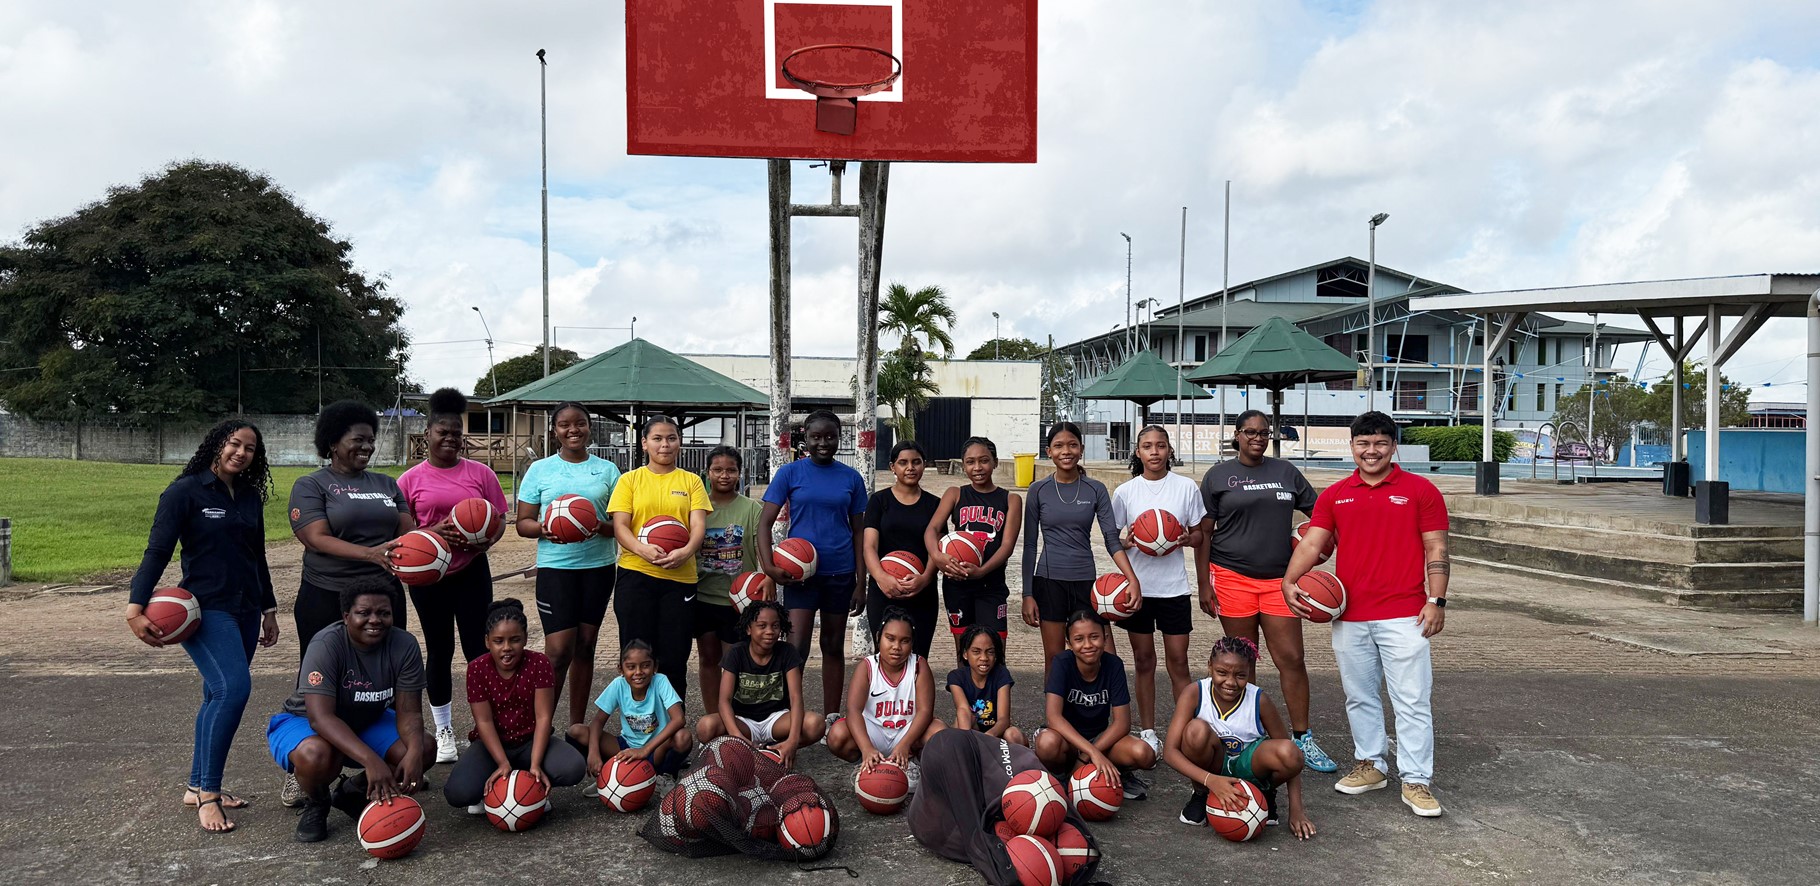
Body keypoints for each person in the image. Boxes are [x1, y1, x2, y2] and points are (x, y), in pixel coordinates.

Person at [1283, 411, 1450, 818]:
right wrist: (1289, 581)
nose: (1371, 451)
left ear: (1394, 447)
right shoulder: (1335, 494)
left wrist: (1437, 600)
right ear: (1352, 447)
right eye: (1363, 443)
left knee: (1411, 701)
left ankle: (1416, 780)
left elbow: (1437, 549)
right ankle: (1372, 765)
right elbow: (1311, 545)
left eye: (1379, 443)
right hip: (1349, 614)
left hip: (1405, 613)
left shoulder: (1420, 490)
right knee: (1359, 697)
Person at [127, 419, 281, 833]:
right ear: (217, 443)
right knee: (234, 689)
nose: (241, 453)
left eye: (250, 448)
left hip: (247, 608)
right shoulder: (185, 492)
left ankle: (196, 785)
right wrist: (134, 607)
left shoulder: (249, 495)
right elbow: (157, 550)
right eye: (234, 443)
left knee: (217, 693)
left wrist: (269, 608)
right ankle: (209, 796)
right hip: (206, 610)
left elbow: (258, 556)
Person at [286, 400, 414, 807]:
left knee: (383, 678)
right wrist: (372, 554)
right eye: (357, 439)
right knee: (322, 687)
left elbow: (410, 536)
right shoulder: (312, 485)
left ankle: (373, 773)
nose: (367, 446)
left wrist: (442, 536)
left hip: (382, 597)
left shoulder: (387, 484)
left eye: (370, 440)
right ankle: (308, 773)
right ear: (333, 443)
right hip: (326, 594)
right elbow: (316, 538)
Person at [1197, 410, 1337, 774]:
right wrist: (1202, 585)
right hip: (1231, 576)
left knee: (1290, 658)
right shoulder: (1217, 476)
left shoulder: (1286, 473)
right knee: (1244, 664)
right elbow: (1204, 535)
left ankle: (1303, 736)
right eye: (1250, 432)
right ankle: (1250, 735)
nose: (1258, 438)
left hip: (1280, 580)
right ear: (1237, 436)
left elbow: (1321, 516)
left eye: (1264, 433)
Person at [266, 577, 435, 843]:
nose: (375, 620)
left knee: (423, 747)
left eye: (383, 613)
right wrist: (372, 761)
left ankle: (351, 791)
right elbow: (320, 718)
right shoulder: (326, 644)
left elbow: (410, 712)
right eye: (363, 613)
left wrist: (414, 754)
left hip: (367, 718)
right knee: (317, 755)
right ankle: (317, 801)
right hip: (305, 721)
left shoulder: (404, 645)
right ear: (346, 616)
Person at [398, 388, 511, 764]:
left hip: (471, 570)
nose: (450, 438)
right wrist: (433, 535)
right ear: (427, 434)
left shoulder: (481, 473)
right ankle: (444, 728)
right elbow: (403, 531)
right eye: (442, 432)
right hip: (429, 576)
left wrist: (484, 541)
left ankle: (487, 725)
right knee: (439, 648)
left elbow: (499, 520)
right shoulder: (410, 480)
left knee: (479, 650)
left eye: (456, 433)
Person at [514, 401, 622, 743]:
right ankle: (538, 728)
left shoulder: (606, 470)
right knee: (559, 651)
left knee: (586, 646)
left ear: (589, 427)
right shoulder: (540, 470)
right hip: (556, 570)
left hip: (599, 568)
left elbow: (619, 523)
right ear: (555, 430)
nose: (573, 430)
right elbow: (523, 523)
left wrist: (596, 526)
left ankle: (576, 728)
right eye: (565, 425)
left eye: (580, 424)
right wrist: (544, 528)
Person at [1110, 424, 1210, 788]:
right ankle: (1149, 730)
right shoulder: (1125, 492)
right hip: (1139, 588)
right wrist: (1130, 539)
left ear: (1170, 450)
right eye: (1147, 446)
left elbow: (1200, 534)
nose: (1154, 451)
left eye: (1160, 445)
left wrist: (1185, 537)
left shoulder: (1185, 488)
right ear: (1137, 452)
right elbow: (1115, 537)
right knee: (1143, 661)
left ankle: (1185, 730)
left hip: (1172, 589)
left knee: (1179, 661)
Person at [759, 409, 868, 717]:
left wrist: (862, 582)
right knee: (796, 648)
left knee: (833, 646)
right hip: (800, 576)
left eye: (830, 436)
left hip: (840, 572)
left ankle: (832, 717)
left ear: (839, 437)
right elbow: (764, 522)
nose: (823, 443)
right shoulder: (790, 473)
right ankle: (788, 716)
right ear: (804, 438)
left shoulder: (851, 478)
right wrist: (769, 566)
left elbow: (860, 531)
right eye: (816, 437)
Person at [1163, 636, 1314, 839]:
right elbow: (1170, 752)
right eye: (1222, 673)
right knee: (1194, 731)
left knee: (1289, 752)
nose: (1231, 682)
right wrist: (1210, 780)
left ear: (1250, 672)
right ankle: (1201, 794)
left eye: (1240, 675)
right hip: (1213, 768)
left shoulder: (1259, 700)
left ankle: (1263, 792)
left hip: (1249, 768)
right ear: (1209, 666)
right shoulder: (1194, 693)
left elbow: (1292, 756)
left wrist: (1297, 810)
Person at [444, 599, 586, 812]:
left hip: (530, 742)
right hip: (492, 745)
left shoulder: (539, 663)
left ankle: (531, 787)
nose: (507, 648)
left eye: (515, 640)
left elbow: (544, 717)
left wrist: (536, 764)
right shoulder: (477, 669)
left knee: (573, 767)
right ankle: (496, 788)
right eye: (498, 641)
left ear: (526, 639)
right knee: (458, 793)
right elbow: (484, 721)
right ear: (487, 641)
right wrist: (502, 762)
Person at [1021, 421, 1138, 680]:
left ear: (1081, 449)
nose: (1066, 451)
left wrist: (1132, 579)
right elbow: (1030, 545)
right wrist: (1028, 594)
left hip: (1087, 583)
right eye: (1059, 446)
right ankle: (1054, 717)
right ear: (1049, 451)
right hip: (1049, 582)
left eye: (1072, 445)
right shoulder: (1038, 490)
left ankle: (1106, 715)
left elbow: (1111, 538)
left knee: (1105, 655)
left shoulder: (1095, 489)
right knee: (1055, 657)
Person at [609, 416, 711, 698]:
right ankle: (637, 725)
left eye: (671, 438)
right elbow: (620, 526)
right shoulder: (629, 480)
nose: (664, 444)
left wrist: (686, 551)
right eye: (657, 438)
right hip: (635, 575)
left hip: (680, 580)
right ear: (644, 443)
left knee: (674, 657)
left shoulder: (691, 481)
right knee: (636, 656)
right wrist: (642, 549)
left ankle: (672, 726)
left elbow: (698, 525)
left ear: (679, 442)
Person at [1032, 611, 1156, 793]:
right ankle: (1060, 779)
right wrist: (1089, 754)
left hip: (1100, 739)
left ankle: (1117, 773)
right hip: (1068, 740)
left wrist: (1090, 754)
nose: (1088, 645)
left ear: (1105, 639)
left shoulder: (1113, 665)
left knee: (1144, 754)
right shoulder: (1061, 663)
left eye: (1094, 637)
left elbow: (1122, 723)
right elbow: (1054, 718)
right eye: (1079, 639)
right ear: (1069, 643)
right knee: (1046, 743)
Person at [694, 601, 827, 769]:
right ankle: (740, 748)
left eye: (775, 626)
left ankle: (775, 749)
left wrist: (792, 741)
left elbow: (796, 698)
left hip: (776, 720)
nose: (770, 632)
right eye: (762, 626)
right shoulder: (736, 653)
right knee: (705, 727)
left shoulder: (787, 652)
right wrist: (737, 736)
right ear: (749, 629)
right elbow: (724, 701)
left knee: (816, 724)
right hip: (744, 721)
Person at [924, 436, 1022, 663]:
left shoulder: (1011, 499)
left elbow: (1007, 546)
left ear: (995, 462)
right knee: (965, 654)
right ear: (963, 464)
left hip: (992, 584)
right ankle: (965, 698)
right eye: (970, 462)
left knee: (994, 654)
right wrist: (938, 557)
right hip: (958, 584)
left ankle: (995, 698)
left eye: (984, 460)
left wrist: (982, 570)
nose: (977, 467)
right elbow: (932, 529)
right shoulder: (955, 494)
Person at [827, 607, 944, 786]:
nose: (896, 647)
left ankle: (913, 762)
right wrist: (866, 748)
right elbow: (853, 710)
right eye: (890, 638)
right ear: (878, 637)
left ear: (912, 643)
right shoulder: (867, 667)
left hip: (907, 733)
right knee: (837, 734)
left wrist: (905, 745)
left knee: (940, 733)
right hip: (875, 731)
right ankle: (869, 761)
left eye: (905, 641)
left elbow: (925, 711)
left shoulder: (919, 666)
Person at [696, 445, 762, 718]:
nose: (724, 475)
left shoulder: (751, 509)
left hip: (739, 601)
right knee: (708, 659)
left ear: (739, 473)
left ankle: (737, 718)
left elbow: (762, 549)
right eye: (718, 470)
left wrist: (767, 576)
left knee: (734, 662)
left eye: (731, 470)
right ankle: (714, 717)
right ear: (707, 473)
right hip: (703, 596)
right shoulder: (698, 508)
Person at [862, 440, 942, 658]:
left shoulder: (935, 504)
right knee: (887, 657)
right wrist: (881, 578)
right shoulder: (879, 501)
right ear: (892, 467)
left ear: (924, 465)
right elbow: (869, 546)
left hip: (922, 592)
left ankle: (916, 694)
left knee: (918, 656)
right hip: (884, 590)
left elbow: (938, 549)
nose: (910, 468)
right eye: (903, 462)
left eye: (916, 462)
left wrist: (925, 579)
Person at [584, 640, 693, 791]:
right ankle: (608, 775)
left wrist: (645, 750)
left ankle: (665, 775)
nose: (638, 672)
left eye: (645, 665)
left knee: (683, 737)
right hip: (627, 746)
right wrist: (593, 752)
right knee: (577, 732)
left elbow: (679, 718)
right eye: (631, 667)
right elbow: (597, 722)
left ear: (655, 667)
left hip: (656, 749)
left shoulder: (660, 681)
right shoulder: (618, 685)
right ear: (620, 669)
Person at [946, 624, 1025, 746]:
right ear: (965, 654)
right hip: (970, 729)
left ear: (996, 655)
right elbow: (963, 710)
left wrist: (988, 738)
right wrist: (970, 742)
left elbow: (1004, 720)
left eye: (990, 652)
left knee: (1013, 734)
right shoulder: (956, 677)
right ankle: (967, 754)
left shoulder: (1001, 674)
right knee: (960, 720)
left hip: (996, 734)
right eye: (976, 652)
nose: (984, 658)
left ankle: (1023, 764)